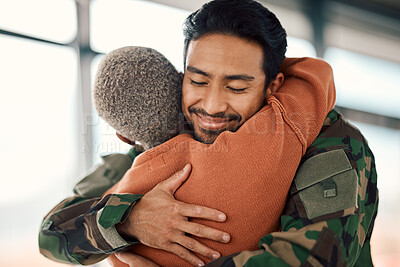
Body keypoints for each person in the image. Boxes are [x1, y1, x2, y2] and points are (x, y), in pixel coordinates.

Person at [39, 0, 378, 266]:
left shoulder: (329, 142)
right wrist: (129, 221)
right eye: (198, 81)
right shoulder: (168, 140)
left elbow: (314, 258)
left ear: (271, 86)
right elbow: (51, 234)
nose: (212, 106)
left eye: (236, 87)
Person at [89, 44, 333, 267]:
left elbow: (63, 227)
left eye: (235, 87)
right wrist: (254, 64)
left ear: (123, 137)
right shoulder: (259, 146)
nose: (214, 104)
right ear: (182, 85)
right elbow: (315, 73)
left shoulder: (114, 218)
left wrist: (127, 221)